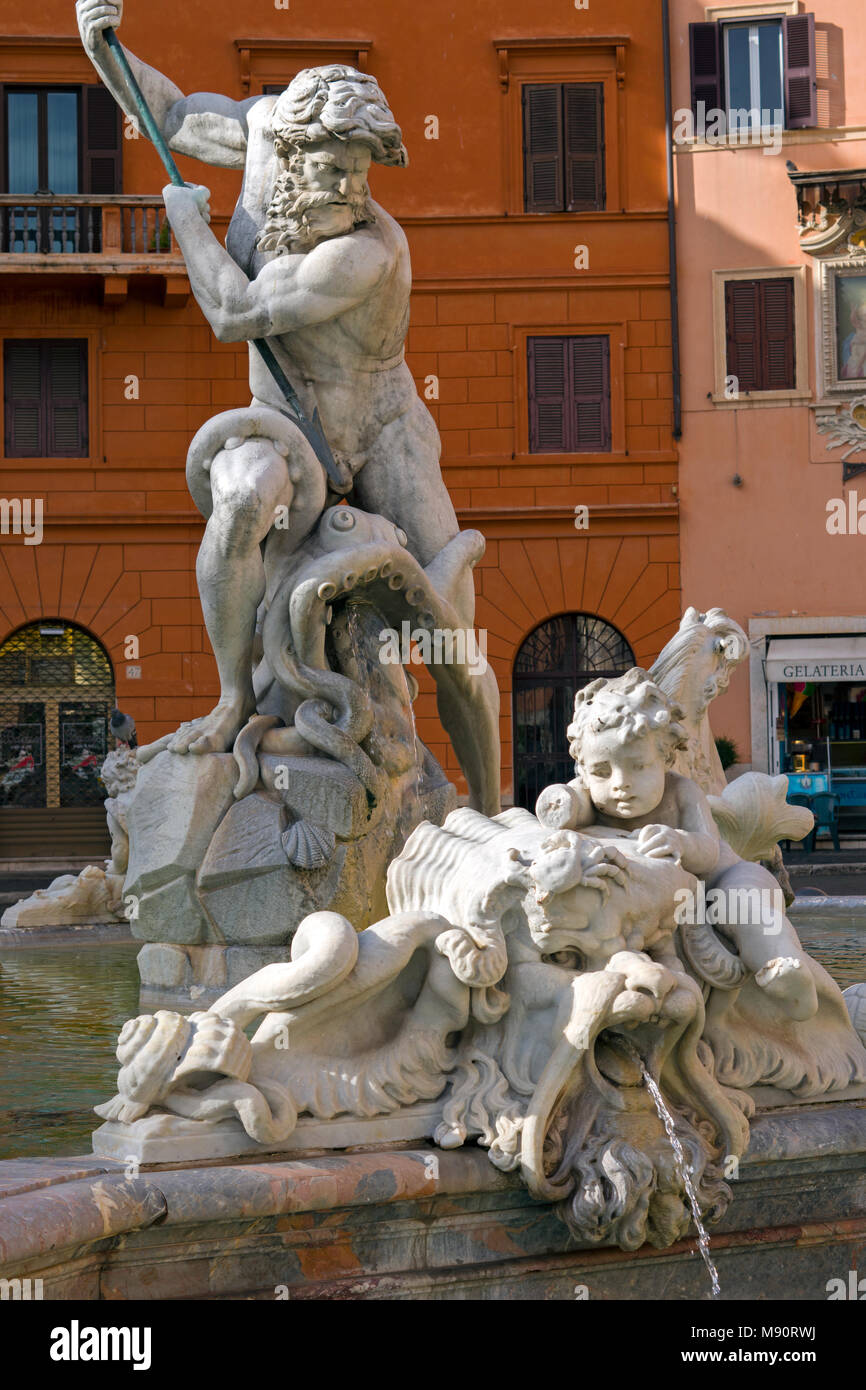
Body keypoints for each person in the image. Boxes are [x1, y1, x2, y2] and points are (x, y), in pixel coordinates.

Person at [75, 0, 500, 814]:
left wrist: (187, 229)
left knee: (448, 632)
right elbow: (165, 114)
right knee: (237, 506)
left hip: (381, 429)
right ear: (289, 147)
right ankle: (235, 697)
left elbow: (234, 312)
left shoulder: (366, 250)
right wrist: (104, 49)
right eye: (332, 168)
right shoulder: (263, 128)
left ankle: (490, 802)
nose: (349, 187)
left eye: (360, 170)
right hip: (282, 421)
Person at [566, 668, 820, 1020]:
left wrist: (680, 841)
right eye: (601, 771)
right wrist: (563, 802)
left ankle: (784, 972)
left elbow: (709, 850)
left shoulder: (681, 791)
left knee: (745, 909)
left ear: (666, 759)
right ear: (582, 770)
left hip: (723, 878)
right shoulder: (589, 798)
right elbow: (560, 817)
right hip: (665, 903)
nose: (620, 784)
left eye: (638, 766)